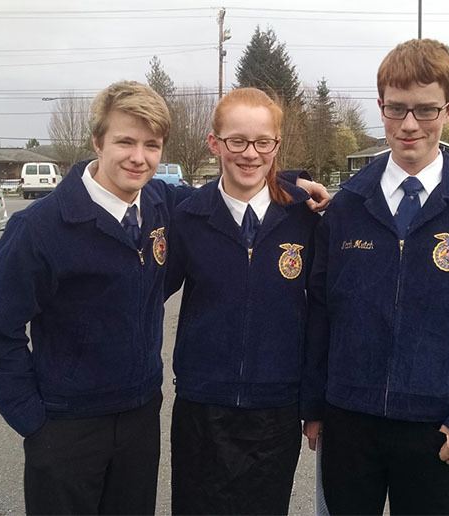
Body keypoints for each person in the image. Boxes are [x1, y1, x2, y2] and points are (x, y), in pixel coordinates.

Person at [0, 80, 329, 516]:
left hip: (141, 417)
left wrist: (293, 184)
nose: (137, 157)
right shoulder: (41, 228)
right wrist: (32, 419)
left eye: (151, 145)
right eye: (124, 141)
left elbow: (240, 186)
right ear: (97, 142)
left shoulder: (161, 205)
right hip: (69, 422)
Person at [302, 39, 449, 516]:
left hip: (437, 430)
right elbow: (320, 309)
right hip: (348, 422)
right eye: (396, 109)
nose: (409, 125)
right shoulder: (346, 207)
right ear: (380, 106)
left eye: (426, 110)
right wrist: (314, 405)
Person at [165, 87, 321, 515]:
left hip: (275, 409)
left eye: (262, 142)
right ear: (214, 143)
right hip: (203, 406)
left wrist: (313, 401)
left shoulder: (304, 218)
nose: (250, 154)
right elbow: (145, 293)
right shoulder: (188, 218)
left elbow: (323, 311)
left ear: (276, 146)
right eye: (237, 141)